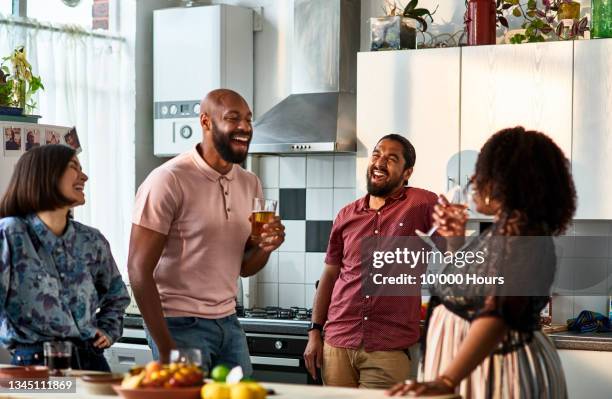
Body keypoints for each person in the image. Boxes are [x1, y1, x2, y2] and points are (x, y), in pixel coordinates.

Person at [387, 127, 575, 398]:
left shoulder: (520, 233)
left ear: (506, 180)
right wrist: (455, 242)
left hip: (500, 372)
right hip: (486, 367)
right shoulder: (506, 230)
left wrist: (447, 380)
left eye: (482, 170)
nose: (474, 178)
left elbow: (500, 312)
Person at [128, 89, 285, 374]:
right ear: (206, 122)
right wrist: (165, 347)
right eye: (233, 118)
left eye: (248, 120)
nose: (244, 128)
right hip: (178, 325)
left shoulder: (251, 184)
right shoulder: (168, 180)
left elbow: (245, 268)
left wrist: (265, 246)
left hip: (229, 322)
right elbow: (138, 270)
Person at [304, 134, 437, 389]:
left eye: (391, 158)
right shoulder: (346, 214)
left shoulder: (422, 204)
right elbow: (330, 276)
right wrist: (314, 332)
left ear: (407, 171)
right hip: (337, 343)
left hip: (387, 348)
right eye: (376, 154)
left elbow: (454, 251)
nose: (379, 161)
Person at [0, 145, 130, 371]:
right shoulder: (10, 234)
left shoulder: (91, 239)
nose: (84, 176)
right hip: (34, 368)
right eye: (73, 167)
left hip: (91, 364)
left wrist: (108, 330)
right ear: (45, 174)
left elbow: (116, 296)